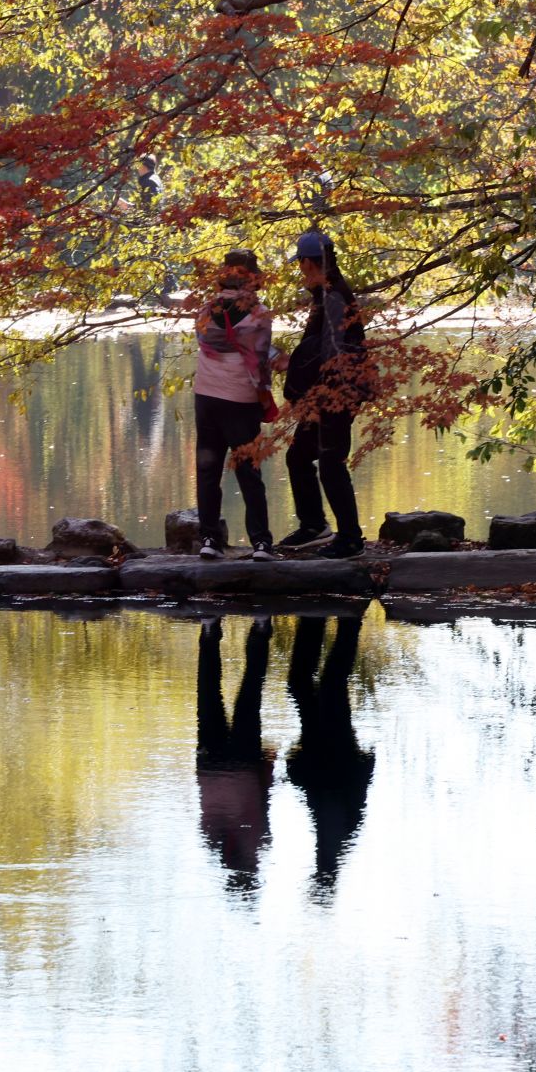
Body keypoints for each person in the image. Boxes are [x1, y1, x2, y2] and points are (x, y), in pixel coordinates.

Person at [278, 229, 369, 559]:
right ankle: (314, 526)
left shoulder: (333, 296)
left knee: (331, 462)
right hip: (328, 393)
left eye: (300, 263)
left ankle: (350, 539)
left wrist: (318, 396)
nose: (300, 270)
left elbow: (333, 351)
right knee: (299, 456)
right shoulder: (327, 293)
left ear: (308, 262)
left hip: (334, 394)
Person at [192, 248, 279, 559]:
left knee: (208, 470)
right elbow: (258, 362)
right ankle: (261, 543)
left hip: (206, 395)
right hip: (239, 397)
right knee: (248, 471)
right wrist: (265, 397)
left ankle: (209, 540)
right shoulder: (258, 315)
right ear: (253, 277)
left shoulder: (205, 310)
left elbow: (206, 343)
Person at [284, 614, 371, 898]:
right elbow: (332, 795)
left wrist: (296, 773)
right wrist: (296, 771)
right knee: (326, 684)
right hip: (331, 749)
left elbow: (338, 797)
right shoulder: (334, 840)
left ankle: (318, 618)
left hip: (324, 750)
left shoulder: (335, 840)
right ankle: (343, 620)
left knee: (307, 683)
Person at [196, 616, 274, 892]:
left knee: (250, 695)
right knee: (209, 696)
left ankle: (260, 629)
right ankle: (209, 631)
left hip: (241, 768)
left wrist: (267, 768)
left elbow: (264, 800)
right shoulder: (211, 841)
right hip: (212, 768)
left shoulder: (260, 840)